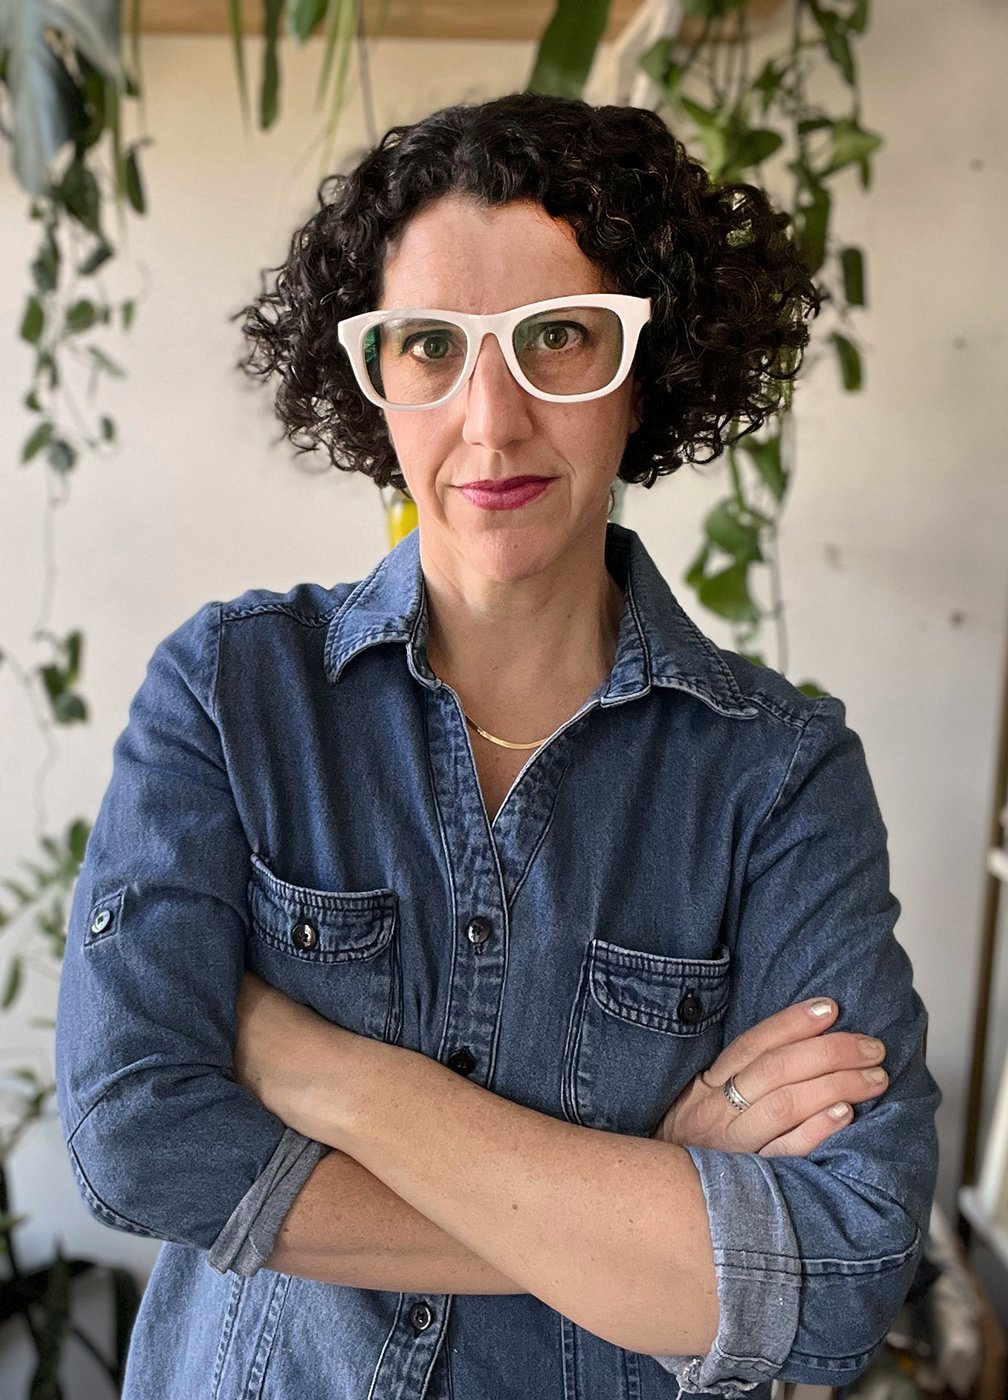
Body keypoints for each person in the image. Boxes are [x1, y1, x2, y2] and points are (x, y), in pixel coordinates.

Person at [56, 93, 939, 1400]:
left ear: (649, 367)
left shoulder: (779, 773)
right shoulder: (233, 694)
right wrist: (644, 1187)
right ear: (372, 376)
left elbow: (844, 1268)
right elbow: (134, 1136)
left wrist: (326, 1075)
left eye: (560, 337)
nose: (491, 421)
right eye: (428, 346)